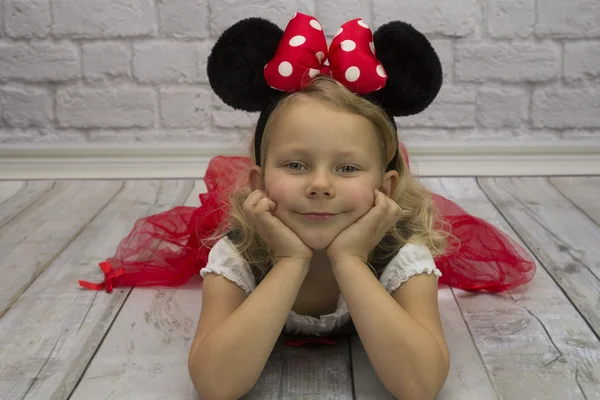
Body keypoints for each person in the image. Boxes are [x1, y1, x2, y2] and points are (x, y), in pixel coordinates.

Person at [79, 13, 536, 400]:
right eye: (296, 164)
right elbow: (216, 385)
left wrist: (351, 259)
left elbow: (419, 384)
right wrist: (290, 260)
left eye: (348, 169)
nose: (319, 185)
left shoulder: (400, 252)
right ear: (259, 180)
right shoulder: (239, 250)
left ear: (387, 185)